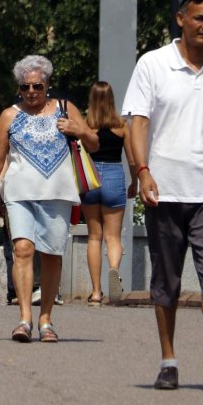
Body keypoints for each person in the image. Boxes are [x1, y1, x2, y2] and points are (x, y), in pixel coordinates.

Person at [123, 0, 203, 393]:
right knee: (167, 281)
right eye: (199, 18)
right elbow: (137, 123)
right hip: (166, 188)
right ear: (181, 18)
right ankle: (168, 359)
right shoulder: (153, 64)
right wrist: (142, 171)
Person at [0, 55, 96, 343]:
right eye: (25, 87)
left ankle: (46, 320)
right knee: (23, 250)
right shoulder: (9, 115)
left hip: (57, 193)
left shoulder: (66, 109)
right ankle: (25, 319)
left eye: (37, 86)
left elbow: (94, 142)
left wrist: (78, 130)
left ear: (47, 85)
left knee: (52, 255)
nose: (31, 92)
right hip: (18, 192)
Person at [80, 81, 136, 306]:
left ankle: (95, 291)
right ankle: (113, 270)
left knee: (95, 236)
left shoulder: (86, 126)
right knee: (113, 236)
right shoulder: (122, 126)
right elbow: (132, 159)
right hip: (114, 175)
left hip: (90, 178)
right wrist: (136, 183)